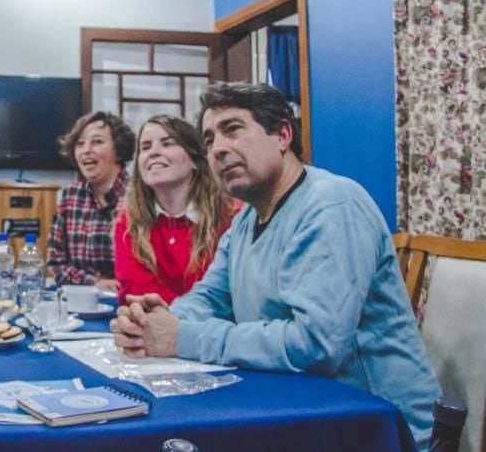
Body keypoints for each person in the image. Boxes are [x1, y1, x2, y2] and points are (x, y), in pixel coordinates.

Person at [110, 83, 440, 448]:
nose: (217, 149)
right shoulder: (246, 219)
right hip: (298, 412)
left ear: (283, 135)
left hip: (376, 428)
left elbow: (315, 343)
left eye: (233, 129)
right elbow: (209, 297)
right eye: (208, 139)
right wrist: (155, 319)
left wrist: (181, 336)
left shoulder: (331, 205)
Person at [113, 115, 238, 305]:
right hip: (153, 328)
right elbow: (135, 289)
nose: (153, 152)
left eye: (167, 143)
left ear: (195, 160)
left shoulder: (230, 216)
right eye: (145, 147)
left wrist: (178, 321)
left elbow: (225, 294)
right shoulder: (128, 222)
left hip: (213, 329)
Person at [47, 111, 135, 291]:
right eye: (80, 143)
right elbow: (56, 263)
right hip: (79, 301)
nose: (86, 150)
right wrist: (94, 283)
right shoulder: (70, 196)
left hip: (129, 302)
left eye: (97, 142)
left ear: (118, 150)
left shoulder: (140, 195)